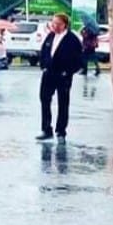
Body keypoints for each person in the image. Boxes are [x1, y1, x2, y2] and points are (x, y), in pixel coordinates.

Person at [37, 13, 83, 142]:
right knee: (44, 100)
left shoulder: (72, 39)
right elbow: (44, 52)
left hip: (63, 75)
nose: (55, 26)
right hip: (48, 74)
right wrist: (43, 65)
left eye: (58, 24)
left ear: (65, 25)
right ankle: (46, 129)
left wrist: (68, 72)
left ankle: (61, 131)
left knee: (63, 103)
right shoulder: (51, 36)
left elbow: (79, 60)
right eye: (53, 23)